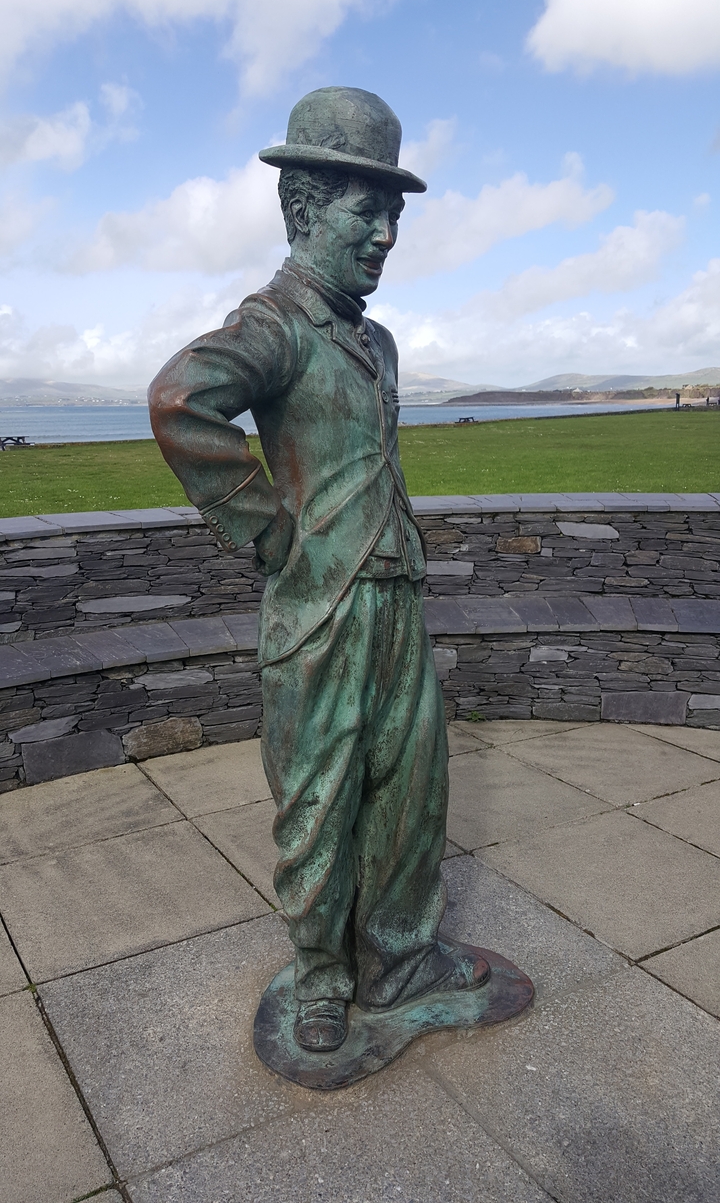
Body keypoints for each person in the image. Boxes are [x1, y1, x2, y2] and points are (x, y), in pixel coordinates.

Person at [148, 87, 489, 1054]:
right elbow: (181, 401)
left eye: (395, 216)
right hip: (321, 613)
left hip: (394, 600)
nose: (385, 234)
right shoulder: (277, 324)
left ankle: (401, 957)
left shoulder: (375, 340)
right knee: (320, 800)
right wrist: (263, 529)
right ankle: (323, 976)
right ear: (304, 209)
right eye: (365, 212)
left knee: (412, 791)